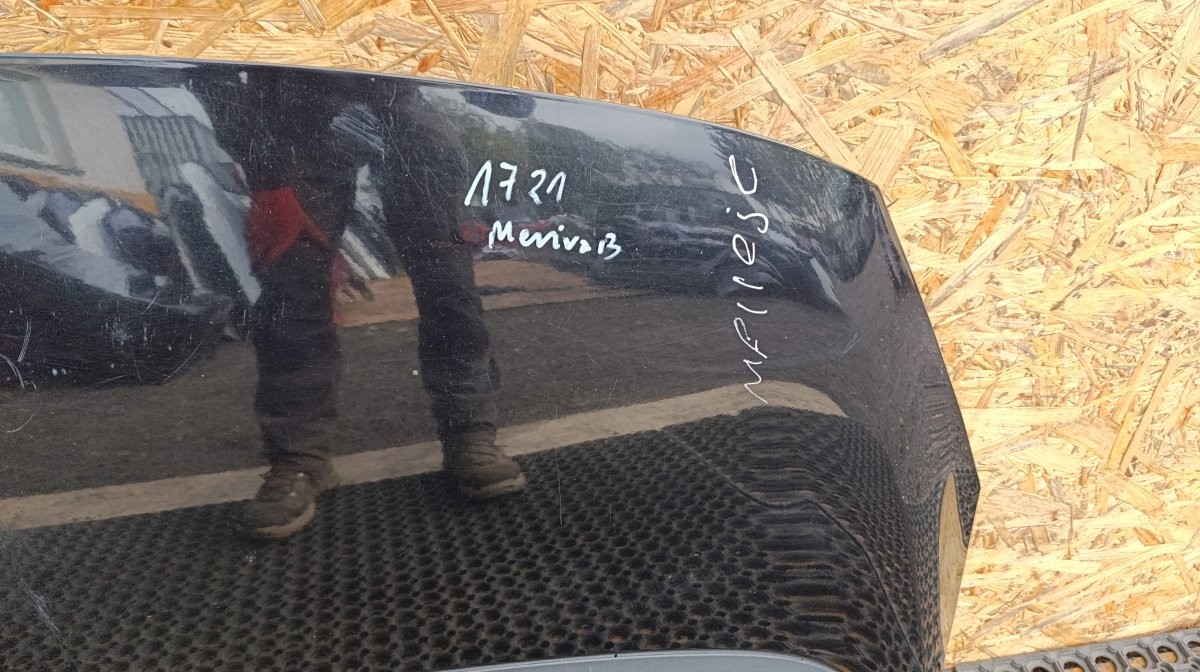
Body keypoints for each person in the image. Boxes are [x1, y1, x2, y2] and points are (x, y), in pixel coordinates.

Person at [193, 69, 525, 539]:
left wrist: (504, 77)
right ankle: (299, 460)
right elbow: (213, 67)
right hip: (293, 107)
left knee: (450, 285)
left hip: (403, 97)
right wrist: (268, 182)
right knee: (293, 293)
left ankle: (471, 434)